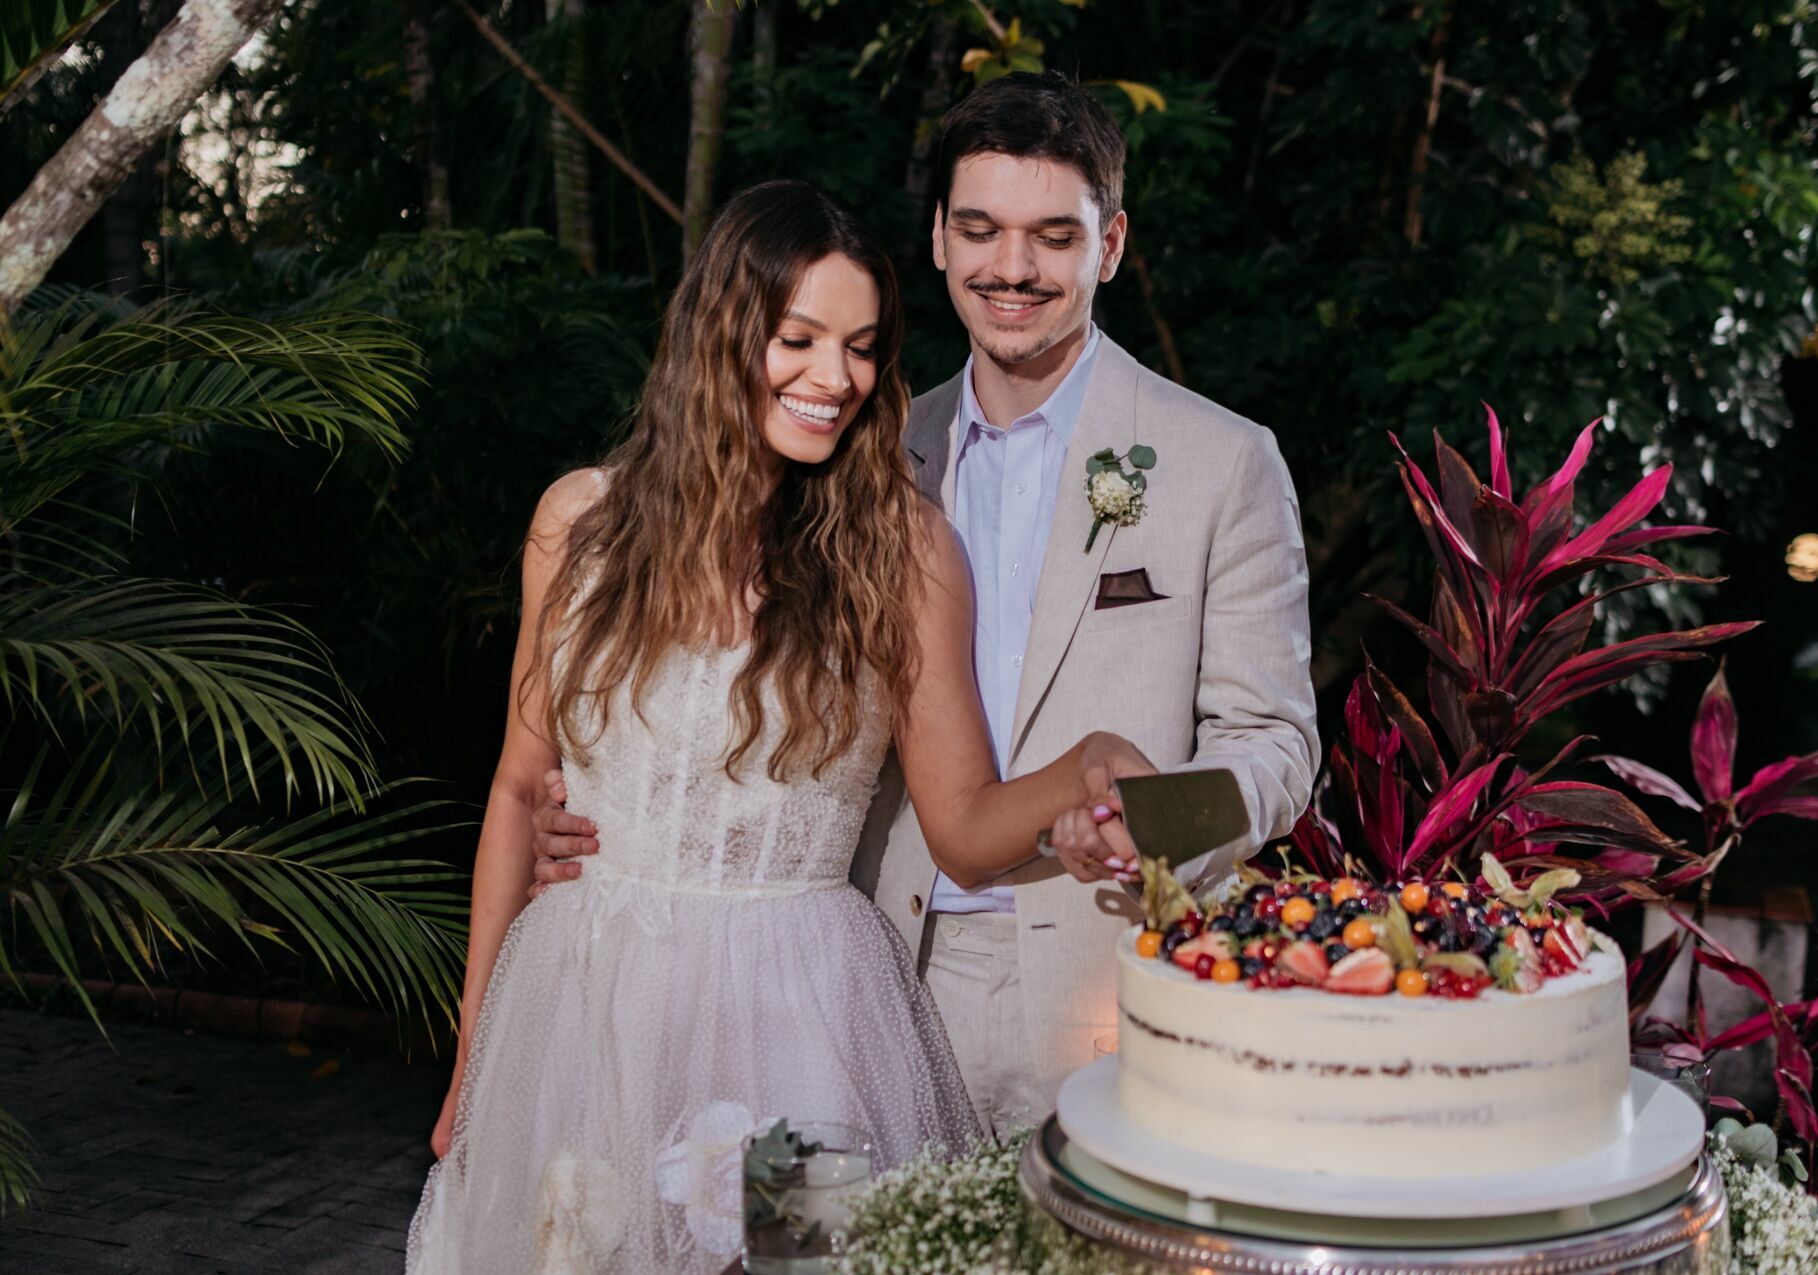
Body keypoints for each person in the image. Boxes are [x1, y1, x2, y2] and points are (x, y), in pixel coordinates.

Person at [532, 72, 1320, 1141]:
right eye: (982, 229)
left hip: (1109, 980)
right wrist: (607, 824)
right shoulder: (851, 450)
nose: (1012, 268)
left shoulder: (1222, 463)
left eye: (1054, 235)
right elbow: (710, 675)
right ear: (940, 238)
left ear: (1113, 244)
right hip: (864, 989)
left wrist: (1154, 823)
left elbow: (1274, 750)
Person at [406, 179, 1151, 1275]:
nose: (834, 378)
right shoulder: (580, 525)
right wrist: (475, 1053)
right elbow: (522, 790)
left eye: (860, 348)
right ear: (721, 335)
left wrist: (1085, 767)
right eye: (797, 339)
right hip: (583, 1013)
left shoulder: (901, 553)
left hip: (800, 1023)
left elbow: (965, 825)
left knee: (798, 1260)